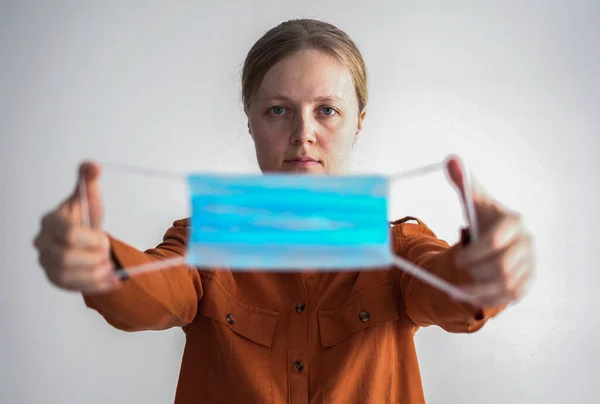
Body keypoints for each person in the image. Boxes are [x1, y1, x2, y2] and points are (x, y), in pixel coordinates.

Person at [33, 18, 535, 404]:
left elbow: (449, 289)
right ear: (250, 120)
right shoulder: (204, 241)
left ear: (358, 122)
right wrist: (101, 266)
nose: (303, 133)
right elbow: (154, 290)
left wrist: (481, 269)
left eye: (326, 110)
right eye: (278, 109)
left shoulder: (399, 248)